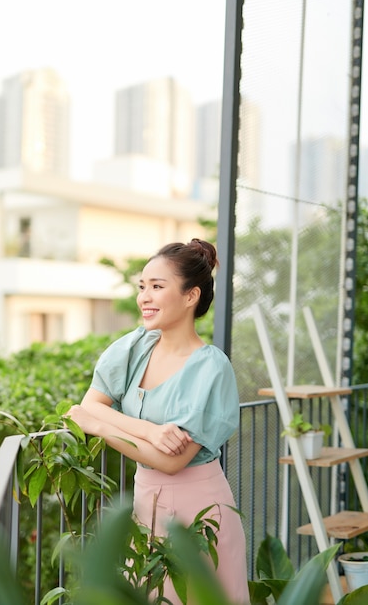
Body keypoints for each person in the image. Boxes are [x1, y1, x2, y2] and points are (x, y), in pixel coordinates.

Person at [67, 238, 250, 605]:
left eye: (157, 287)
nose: (144, 297)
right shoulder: (134, 347)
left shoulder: (211, 367)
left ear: (190, 296)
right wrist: (151, 430)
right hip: (144, 502)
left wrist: (103, 427)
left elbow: (171, 461)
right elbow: (92, 403)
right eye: (142, 287)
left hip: (200, 512)